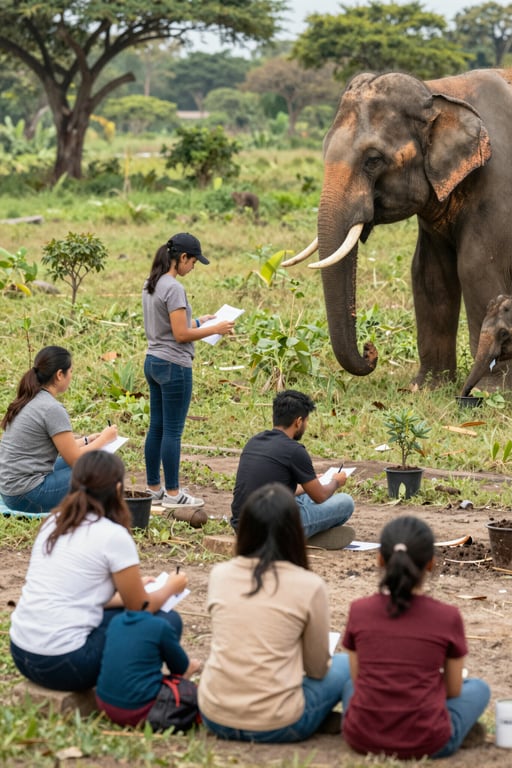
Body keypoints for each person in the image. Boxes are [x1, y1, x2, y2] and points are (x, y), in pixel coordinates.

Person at [10, 451, 189, 692]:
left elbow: (76, 594)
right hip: (66, 664)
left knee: (125, 612)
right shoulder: (113, 535)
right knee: (166, 621)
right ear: (117, 490)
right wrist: (171, 587)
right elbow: (141, 607)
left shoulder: (55, 522)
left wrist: (133, 591)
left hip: (22, 653)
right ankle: (133, 686)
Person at [199, 483, 350, 742]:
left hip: (214, 714)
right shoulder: (308, 585)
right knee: (347, 664)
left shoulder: (220, 574)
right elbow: (316, 670)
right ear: (295, 532)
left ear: (245, 528)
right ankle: (345, 722)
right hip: (277, 722)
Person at [341, 515, 491, 759]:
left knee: (348, 685)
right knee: (479, 688)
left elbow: (358, 679)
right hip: (429, 742)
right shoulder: (448, 616)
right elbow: (453, 690)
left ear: (380, 560)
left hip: (362, 738)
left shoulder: (359, 610)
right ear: (431, 563)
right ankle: (456, 729)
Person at [142, 232, 235, 511]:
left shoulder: (152, 283)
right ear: (182, 258)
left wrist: (199, 320)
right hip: (174, 365)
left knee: (156, 427)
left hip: (153, 361)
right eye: (193, 262)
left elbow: (168, 326)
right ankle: (173, 493)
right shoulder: (174, 288)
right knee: (172, 431)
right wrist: (215, 329)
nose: (193, 268)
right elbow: (181, 335)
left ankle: (154, 488)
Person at [0, 346, 118, 515]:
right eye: (70, 371)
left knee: (82, 461)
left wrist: (88, 440)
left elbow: (56, 446)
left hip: (11, 490)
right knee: (99, 467)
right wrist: (104, 439)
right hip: (27, 496)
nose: (72, 376)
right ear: (59, 375)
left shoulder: (30, 398)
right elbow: (76, 460)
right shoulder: (51, 408)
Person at [230, 389, 354, 549]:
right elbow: (320, 497)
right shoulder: (294, 450)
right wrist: (336, 482)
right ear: (298, 421)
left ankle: (303, 534)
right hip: (271, 530)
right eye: (306, 421)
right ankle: (298, 536)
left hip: (242, 526)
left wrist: (311, 483)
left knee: (303, 497)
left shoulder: (254, 442)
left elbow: (274, 488)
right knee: (345, 502)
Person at [96, 605, 202, 727]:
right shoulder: (160, 626)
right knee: (199, 695)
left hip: (104, 705)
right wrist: (189, 670)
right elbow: (180, 668)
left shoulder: (116, 620)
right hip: (139, 710)